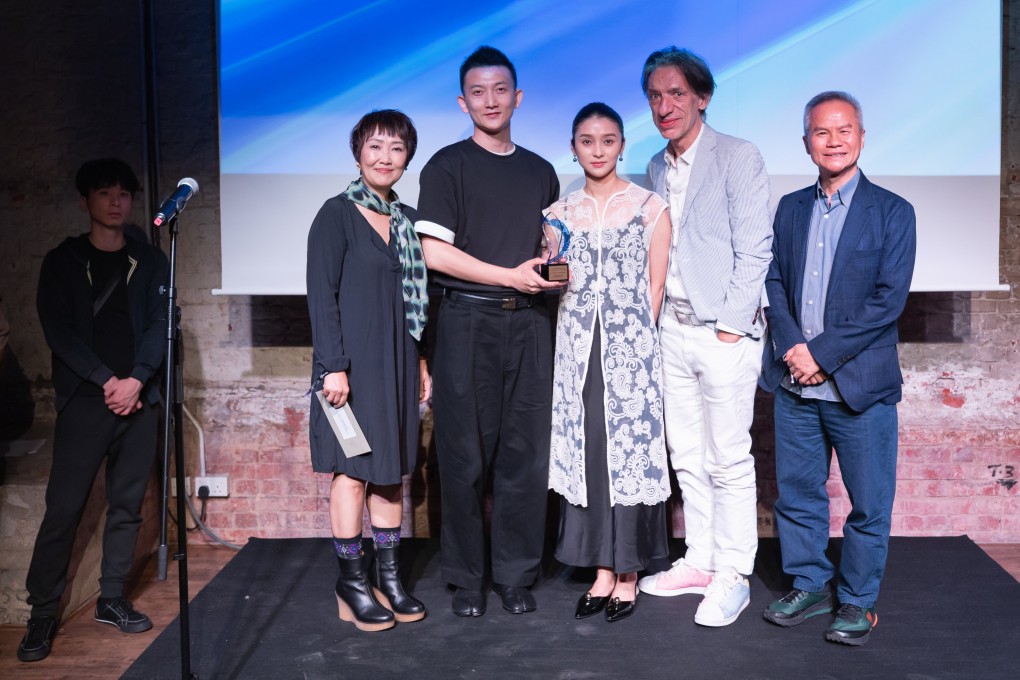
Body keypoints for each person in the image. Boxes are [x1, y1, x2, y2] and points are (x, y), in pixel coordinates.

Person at [759, 92, 915, 646]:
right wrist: (793, 348)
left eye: (844, 130)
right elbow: (774, 281)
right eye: (821, 132)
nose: (833, 141)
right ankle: (809, 585)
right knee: (798, 496)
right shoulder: (790, 208)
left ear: (862, 137)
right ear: (806, 143)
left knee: (868, 503)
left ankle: (857, 601)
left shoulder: (893, 211)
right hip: (795, 386)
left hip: (860, 387)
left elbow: (887, 301)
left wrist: (819, 355)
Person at [415, 46, 564, 617]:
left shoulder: (540, 171)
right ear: (463, 102)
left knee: (524, 455)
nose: (490, 100)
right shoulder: (446, 166)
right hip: (466, 321)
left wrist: (552, 265)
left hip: (531, 325)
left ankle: (515, 575)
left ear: (517, 97)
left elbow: (551, 248)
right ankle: (467, 578)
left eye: (500, 89)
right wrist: (508, 276)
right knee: (463, 456)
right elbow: (434, 253)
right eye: (478, 92)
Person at [635, 47, 773, 628]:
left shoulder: (738, 155)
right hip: (673, 330)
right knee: (687, 455)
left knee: (728, 458)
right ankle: (701, 559)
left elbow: (756, 249)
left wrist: (730, 328)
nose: (664, 106)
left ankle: (733, 573)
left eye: (676, 94)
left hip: (723, 332)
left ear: (702, 97)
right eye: (655, 96)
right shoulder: (655, 165)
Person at [19, 158, 168, 662]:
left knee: (127, 506)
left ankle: (111, 598)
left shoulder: (150, 261)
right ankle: (42, 611)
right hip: (87, 400)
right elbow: (59, 331)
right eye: (105, 193)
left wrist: (137, 379)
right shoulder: (62, 261)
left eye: (123, 194)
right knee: (64, 508)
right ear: (85, 201)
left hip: (139, 399)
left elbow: (160, 326)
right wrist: (109, 380)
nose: (115, 202)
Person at [546, 103, 672, 623]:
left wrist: (635, 351)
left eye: (608, 140)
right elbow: (555, 281)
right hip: (577, 354)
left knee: (628, 458)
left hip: (630, 355)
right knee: (591, 454)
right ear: (573, 147)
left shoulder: (650, 207)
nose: (597, 151)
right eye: (586, 141)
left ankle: (628, 573)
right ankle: (601, 568)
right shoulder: (557, 214)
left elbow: (656, 288)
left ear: (622, 145)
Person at [307, 109, 431, 632]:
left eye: (397, 148)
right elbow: (321, 297)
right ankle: (352, 584)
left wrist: (421, 360)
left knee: (390, 474)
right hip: (350, 368)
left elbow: (417, 301)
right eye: (375, 146)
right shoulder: (335, 214)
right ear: (358, 153)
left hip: (397, 363)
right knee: (353, 473)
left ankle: (389, 578)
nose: (385, 157)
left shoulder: (408, 220)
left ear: (407, 158)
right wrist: (333, 368)